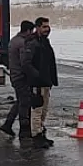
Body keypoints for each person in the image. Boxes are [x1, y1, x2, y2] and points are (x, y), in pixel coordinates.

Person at [2, 21, 37, 140]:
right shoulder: (22, 43)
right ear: (28, 31)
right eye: (31, 31)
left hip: (15, 76)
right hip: (21, 77)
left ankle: (8, 124)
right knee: (24, 103)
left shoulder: (13, 40)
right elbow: (24, 62)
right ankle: (24, 130)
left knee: (21, 100)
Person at [27, 17, 58, 148]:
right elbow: (26, 63)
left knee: (44, 110)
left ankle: (41, 133)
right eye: (44, 27)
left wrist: (51, 80)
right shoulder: (33, 43)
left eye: (48, 26)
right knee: (37, 110)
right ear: (38, 27)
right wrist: (37, 77)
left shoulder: (45, 42)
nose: (47, 29)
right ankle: (36, 136)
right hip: (37, 83)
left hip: (46, 82)